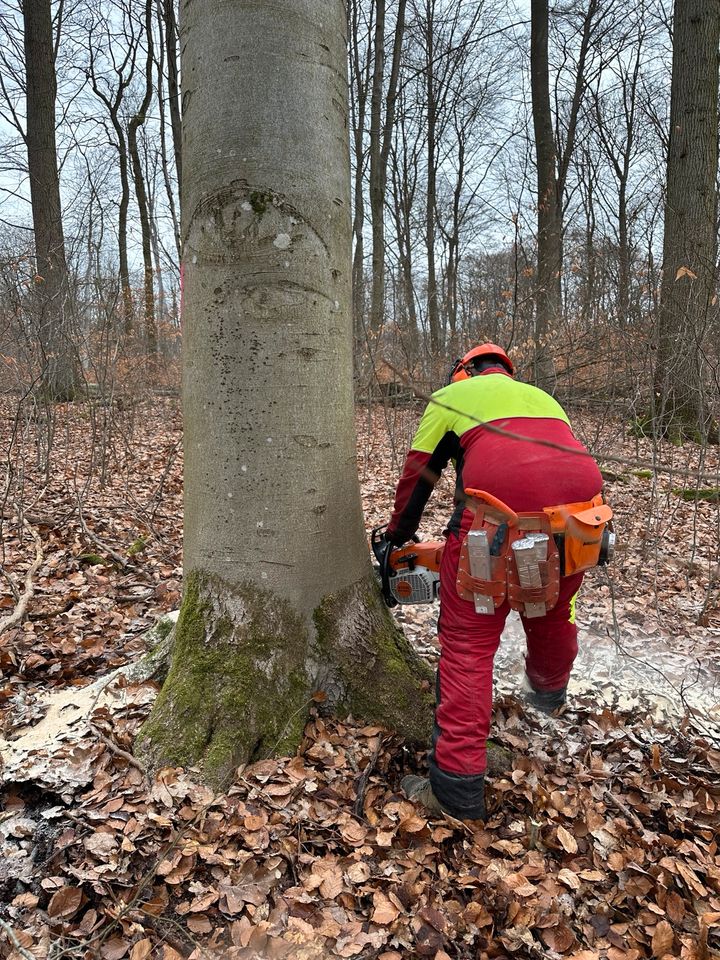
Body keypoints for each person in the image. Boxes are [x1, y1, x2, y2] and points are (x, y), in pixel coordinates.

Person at [382, 343, 604, 821]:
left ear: (464, 371)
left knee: (467, 645)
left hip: (496, 519)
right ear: (506, 371)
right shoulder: (541, 397)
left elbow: (418, 473)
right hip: (581, 517)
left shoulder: (449, 398)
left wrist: (396, 536)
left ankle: (456, 791)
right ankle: (546, 696)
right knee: (550, 610)